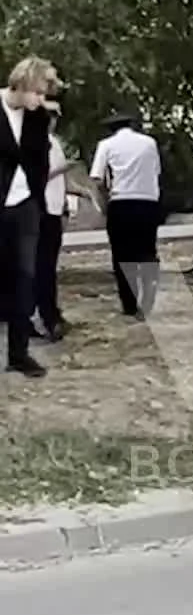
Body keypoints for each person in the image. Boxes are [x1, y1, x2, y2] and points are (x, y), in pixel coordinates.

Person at [0, 56, 57, 377]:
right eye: (37, 92)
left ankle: (19, 354)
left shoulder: (37, 118)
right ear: (20, 84)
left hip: (25, 207)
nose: (41, 100)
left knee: (25, 278)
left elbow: (41, 159)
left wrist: (35, 194)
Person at [90, 110, 162, 318]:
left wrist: (104, 201)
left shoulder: (106, 145)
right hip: (147, 201)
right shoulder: (149, 143)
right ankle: (148, 297)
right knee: (147, 249)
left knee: (122, 254)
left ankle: (129, 304)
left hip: (121, 201)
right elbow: (156, 172)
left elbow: (97, 178)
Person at [33, 99, 73, 341]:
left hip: (54, 210)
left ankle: (51, 313)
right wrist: (62, 169)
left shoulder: (53, 143)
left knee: (48, 266)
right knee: (42, 268)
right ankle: (46, 318)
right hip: (40, 211)